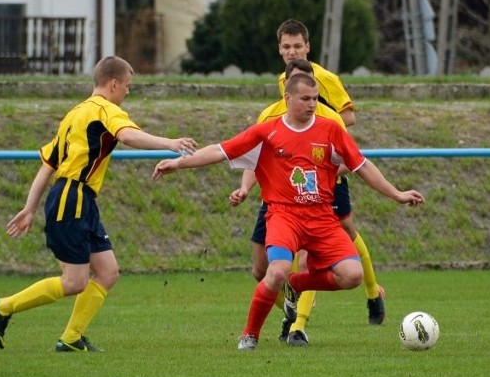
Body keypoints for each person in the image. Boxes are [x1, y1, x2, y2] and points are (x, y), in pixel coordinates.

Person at [153, 73, 424, 351]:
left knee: (351, 275)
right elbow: (220, 150)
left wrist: (397, 194)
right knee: (277, 270)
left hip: (321, 217)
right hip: (284, 216)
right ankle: (250, 335)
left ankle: (297, 283)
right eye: (305, 99)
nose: (311, 104)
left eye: (315, 99)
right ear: (288, 98)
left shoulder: (330, 130)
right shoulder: (266, 132)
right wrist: (179, 164)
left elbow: (362, 165)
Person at [0, 56, 198, 352]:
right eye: (127, 87)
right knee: (74, 282)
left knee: (108, 272)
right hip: (72, 198)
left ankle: (71, 338)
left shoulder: (74, 114)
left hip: (80, 199)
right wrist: (170, 142)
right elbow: (129, 136)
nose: (126, 93)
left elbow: (47, 165)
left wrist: (30, 208)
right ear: (113, 84)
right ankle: (3, 306)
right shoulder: (104, 110)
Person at [232, 19, 385, 347]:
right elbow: (257, 151)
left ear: (308, 47)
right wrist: (246, 187)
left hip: (325, 175)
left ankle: (303, 324)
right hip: (281, 190)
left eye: (296, 47)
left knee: (340, 233)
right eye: (286, 47)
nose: (290, 52)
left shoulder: (325, 84)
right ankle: (288, 304)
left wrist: (318, 144)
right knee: (263, 270)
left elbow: (349, 120)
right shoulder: (274, 104)